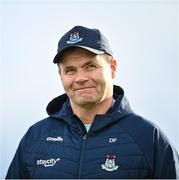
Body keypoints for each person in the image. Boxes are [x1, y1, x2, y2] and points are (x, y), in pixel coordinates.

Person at [6, 25, 179, 179]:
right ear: (60, 76)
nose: (80, 78)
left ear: (112, 68)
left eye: (91, 66)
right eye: (70, 70)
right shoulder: (35, 137)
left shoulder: (148, 138)